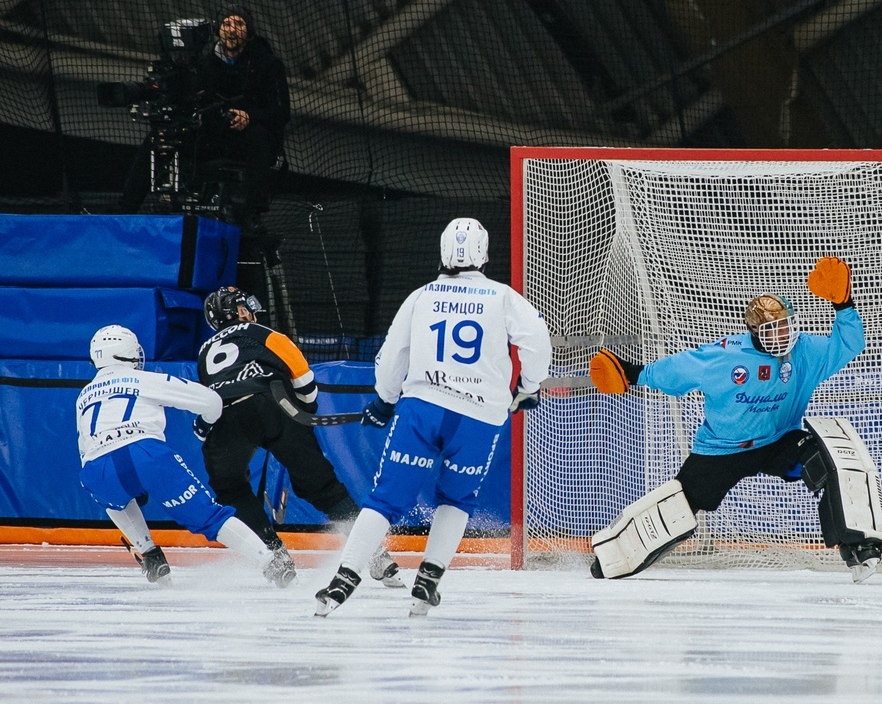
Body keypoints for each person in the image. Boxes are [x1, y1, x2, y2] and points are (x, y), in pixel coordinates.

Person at [586, 256, 882, 583]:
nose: (783, 335)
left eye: (787, 325)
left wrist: (844, 306)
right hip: (721, 451)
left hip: (778, 443)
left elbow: (848, 344)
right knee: (680, 505)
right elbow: (678, 369)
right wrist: (634, 374)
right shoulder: (725, 356)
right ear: (754, 332)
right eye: (773, 329)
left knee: (828, 458)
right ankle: (613, 557)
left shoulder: (804, 351)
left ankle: (860, 547)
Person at [314, 217, 552, 617]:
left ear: (442, 251)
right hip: (478, 417)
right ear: (485, 252)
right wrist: (528, 388)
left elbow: (392, 356)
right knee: (458, 499)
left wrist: (385, 399)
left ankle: (343, 579)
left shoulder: (421, 296)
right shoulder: (503, 296)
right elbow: (537, 341)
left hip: (421, 411)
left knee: (386, 498)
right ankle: (429, 578)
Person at [197, 286, 404, 589]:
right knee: (321, 485)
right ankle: (375, 554)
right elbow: (303, 377)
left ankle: (273, 555)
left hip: (227, 417)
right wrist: (302, 411)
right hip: (274, 405)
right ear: (237, 311)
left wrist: (205, 427)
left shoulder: (204, 352)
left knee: (229, 487)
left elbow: (210, 399)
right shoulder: (262, 332)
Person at [75, 325, 293, 586]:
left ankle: (148, 553)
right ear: (130, 352)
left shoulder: (83, 395)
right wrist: (205, 425)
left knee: (113, 501)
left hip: (96, 466)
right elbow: (211, 401)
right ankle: (271, 564)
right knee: (211, 517)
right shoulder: (144, 379)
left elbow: (85, 450)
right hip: (144, 451)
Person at [119, 4, 290, 224]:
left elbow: (281, 111)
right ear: (219, 30)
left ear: (249, 31)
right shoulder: (205, 64)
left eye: (239, 24)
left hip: (246, 137)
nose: (232, 29)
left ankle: (250, 211)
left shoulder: (268, 64)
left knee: (257, 136)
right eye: (227, 24)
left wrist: (250, 117)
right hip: (212, 136)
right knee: (157, 139)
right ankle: (125, 209)